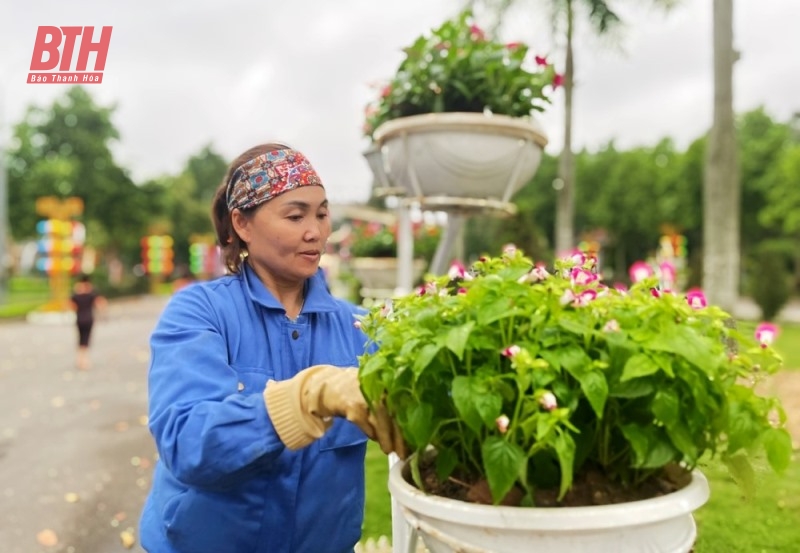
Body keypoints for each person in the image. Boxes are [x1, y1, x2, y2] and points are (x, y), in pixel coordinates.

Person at [139, 142, 405, 553]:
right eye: (295, 215)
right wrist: (303, 400)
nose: (315, 231)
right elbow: (188, 442)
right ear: (242, 224)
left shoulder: (360, 328)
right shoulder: (200, 312)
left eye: (321, 213)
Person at [69, 273, 106, 370]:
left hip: (79, 319)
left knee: (80, 339)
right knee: (86, 340)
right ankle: (84, 360)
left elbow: (71, 306)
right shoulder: (92, 294)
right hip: (89, 319)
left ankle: (79, 360)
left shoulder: (75, 295)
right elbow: (100, 303)